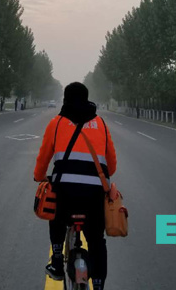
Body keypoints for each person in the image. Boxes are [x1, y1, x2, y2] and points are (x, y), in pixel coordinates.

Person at [34, 82, 116, 290]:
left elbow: (43, 159)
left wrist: (40, 177)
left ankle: (57, 260)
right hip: (94, 193)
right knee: (96, 240)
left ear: (65, 99)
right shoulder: (101, 124)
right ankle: (98, 284)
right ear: (87, 99)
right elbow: (112, 165)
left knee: (56, 216)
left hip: (65, 192)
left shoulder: (56, 123)